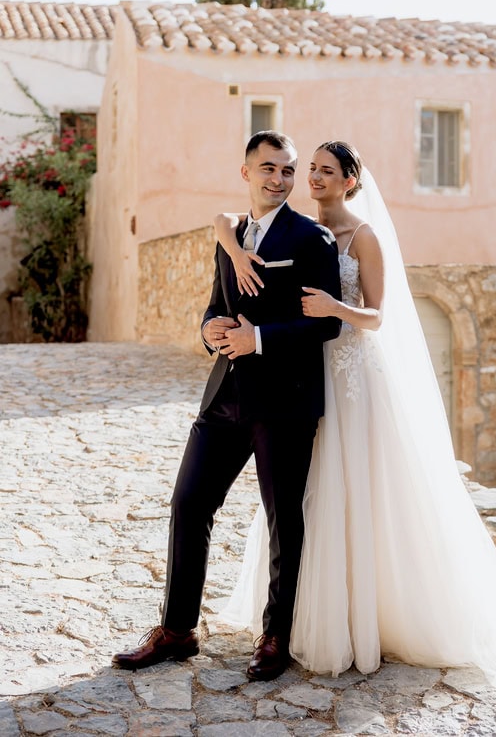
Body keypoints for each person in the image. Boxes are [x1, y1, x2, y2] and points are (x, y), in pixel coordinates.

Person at [216, 140, 496, 691]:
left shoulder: (363, 237)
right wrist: (229, 243)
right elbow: (226, 218)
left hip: (352, 377)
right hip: (305, 373)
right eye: (313, 170)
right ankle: (305, 612)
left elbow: (376, 316)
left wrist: (335, 308)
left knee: (363, 490)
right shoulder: (298, 230)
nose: (316, 178)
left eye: (327, 171)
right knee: (306, 495)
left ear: (351, 180)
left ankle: (374, 613)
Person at [112, 130, 341, 680]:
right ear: (246, 172)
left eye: (288, 171)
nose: (279, 179)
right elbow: (216, 307)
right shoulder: (230, 236)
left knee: (284, 519)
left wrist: (257, 339)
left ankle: (275, 637)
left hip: (284, 401)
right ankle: (177, 629)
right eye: (268, 168)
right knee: (189, 503)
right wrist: (211, 330)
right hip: (225, 394)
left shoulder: (312, 239)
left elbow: (328, 323)